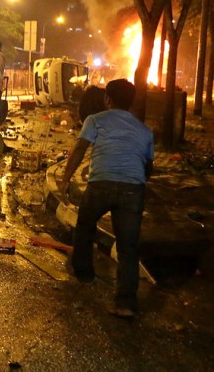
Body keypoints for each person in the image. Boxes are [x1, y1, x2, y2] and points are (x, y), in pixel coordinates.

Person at [58, 79, 154, 319]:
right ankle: (126, 303)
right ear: (131, 102)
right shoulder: (145, 131)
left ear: (107, 99)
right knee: (128, 247)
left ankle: (83, 273)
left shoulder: (95, 120)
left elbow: (80, 149)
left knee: (85, 225)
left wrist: (65, 178)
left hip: (101, 184)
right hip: (133, 189)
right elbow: (148, 167)